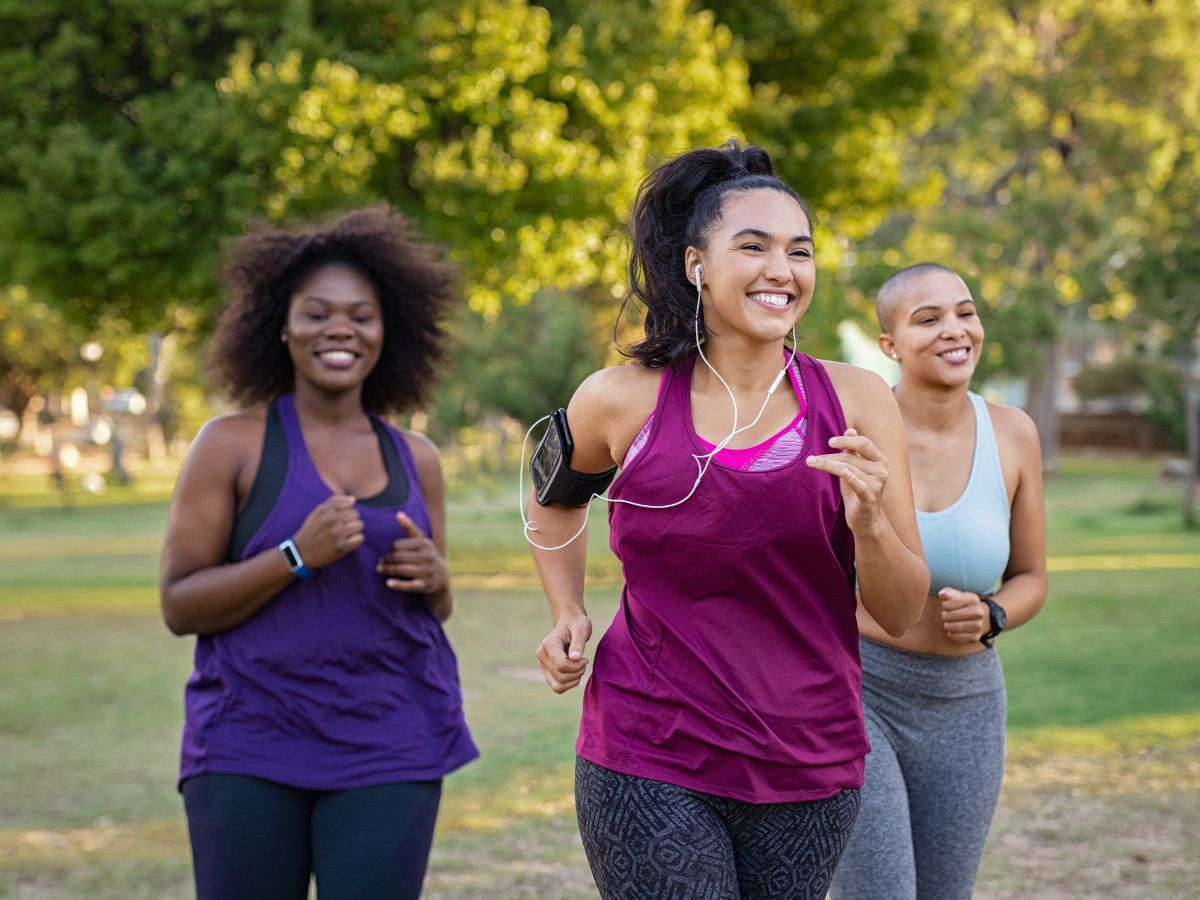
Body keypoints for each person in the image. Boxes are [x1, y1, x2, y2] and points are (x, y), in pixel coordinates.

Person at [526, 140, 929, 900]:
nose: (783, 270)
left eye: (799, 251)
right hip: (648, 751)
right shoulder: (620, 399)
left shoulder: (860, 404)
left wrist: (871, 524)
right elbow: (554, 500)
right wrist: (566, 610)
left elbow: (902, 612)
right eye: (754, 246)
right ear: (695, 265)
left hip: (809, 758)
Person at [159, 206, 478, 900]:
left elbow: (437, 607)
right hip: (250, 739)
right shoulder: (230, 444)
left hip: (391, 738)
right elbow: (180, 605)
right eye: (317, 313)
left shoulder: (416, 458)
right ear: (280, 324)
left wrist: (438, 579)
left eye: (361, 315)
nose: (340, 329)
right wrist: (295, 556)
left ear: (387, 331)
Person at [831, 263, 1048, 900]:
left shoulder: (1013, 433)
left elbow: (1032, 575)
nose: (955, 331)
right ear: (889, 345)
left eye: (965, 312)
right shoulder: (852, 434)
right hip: (861, 694)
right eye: (928, 319)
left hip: (969, 704)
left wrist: (994, 616)